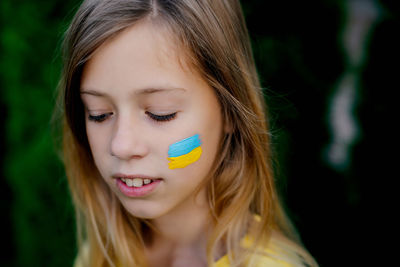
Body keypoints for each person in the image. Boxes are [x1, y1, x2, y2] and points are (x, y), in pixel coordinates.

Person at [57, 0, 318, 266]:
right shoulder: (98, 258)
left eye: (161, 113)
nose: (121, 146)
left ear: (229, 111)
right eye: (98, 113)